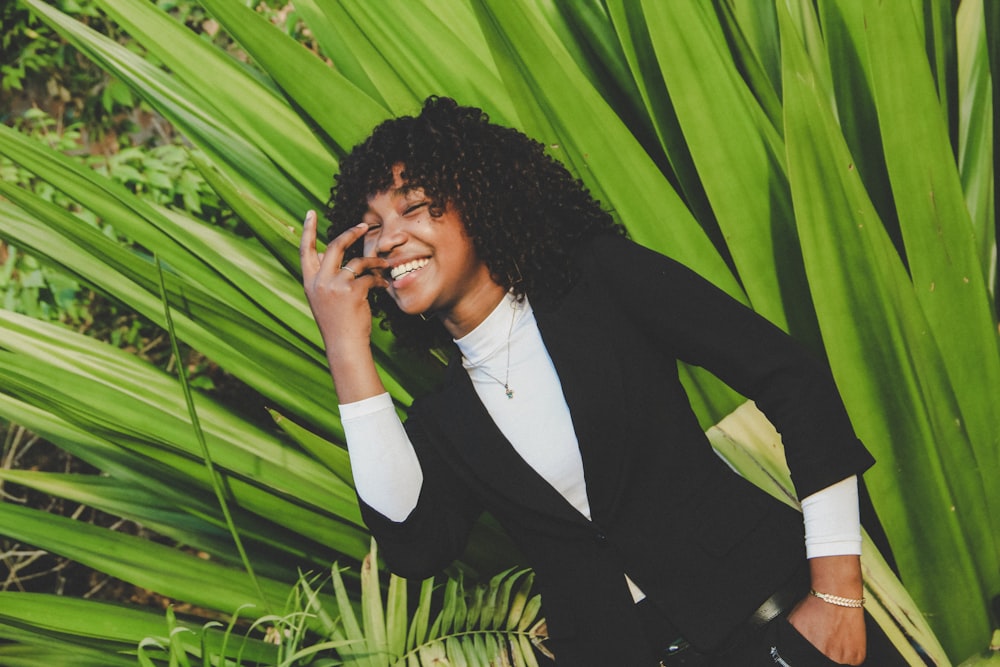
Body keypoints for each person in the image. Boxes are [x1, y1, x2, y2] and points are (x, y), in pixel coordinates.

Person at [300, 96, 908, 666]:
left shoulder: (599, 282)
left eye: (413, 206)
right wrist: (345, 346)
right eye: (371, 225)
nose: (390, 237)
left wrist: (836, 594)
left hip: (781, 629)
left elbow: (790, 377)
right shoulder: (443, 419)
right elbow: (415, 548)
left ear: (478, 201)